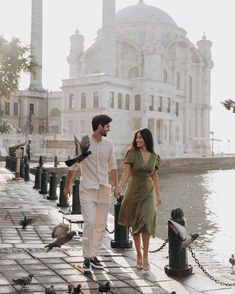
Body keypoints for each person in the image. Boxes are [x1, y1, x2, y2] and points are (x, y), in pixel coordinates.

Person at [64, 114, 119, 273]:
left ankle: (94, 256)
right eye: (107, 126)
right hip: (87, 188)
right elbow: (73, 166)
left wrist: (116, 186)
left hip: (104, 190)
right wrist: (67, 186)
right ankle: (86, 258)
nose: (108, 129)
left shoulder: (109, 144)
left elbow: (113, 166)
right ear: (100, 126)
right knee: (89, 222)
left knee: (100, 225)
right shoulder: (84, 142)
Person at [116, 128, 161, 271]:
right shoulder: (132, 154)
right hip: (133, 189)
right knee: (136, 224)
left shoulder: (154, 156)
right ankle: (139, 255)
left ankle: (146, 256)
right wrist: (118, 186)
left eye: (140, 138)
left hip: (148, 191)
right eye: (136, 138)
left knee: (146, 222)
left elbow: (154, 176)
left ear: (147, 139)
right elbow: (126, 173)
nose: (138, 140)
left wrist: (158, 196)